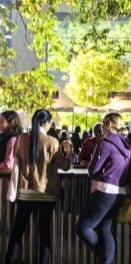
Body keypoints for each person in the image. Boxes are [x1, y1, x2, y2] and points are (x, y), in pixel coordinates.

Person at [5, 109, 71, 263]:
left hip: (25, 191)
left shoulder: (21, 139)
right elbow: (65, 166)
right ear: (46, 122)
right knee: (44, 232)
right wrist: (68, 152)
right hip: (46, 193)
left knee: (17, 230)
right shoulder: (52, 141)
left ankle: (9, 260)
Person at [76, 112, 131, 264]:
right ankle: (106, 259)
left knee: (83, 228)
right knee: (105, 229)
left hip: (105, 191)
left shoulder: (105, 143)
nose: (101, 125)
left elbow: (92, 170)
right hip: (119, 192)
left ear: (108, 124)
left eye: (103, 122)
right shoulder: (126, 145)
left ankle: (104, 257)